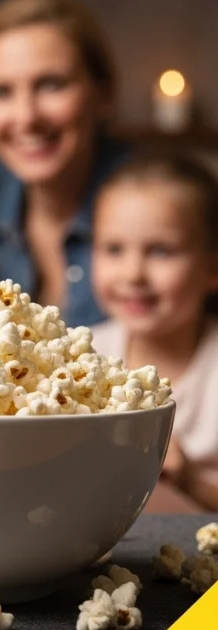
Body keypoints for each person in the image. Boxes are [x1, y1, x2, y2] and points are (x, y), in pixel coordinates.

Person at [0, 0, 126, 327]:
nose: (26, 117)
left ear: (104, 93)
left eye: (51, 84)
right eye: (1, 92)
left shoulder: (161, 200)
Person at [88, 151, 218, 511]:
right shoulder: (81, 356)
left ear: (212, 266)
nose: (133, 274)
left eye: (161, 251)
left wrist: (188, 478)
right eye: (113, 249)